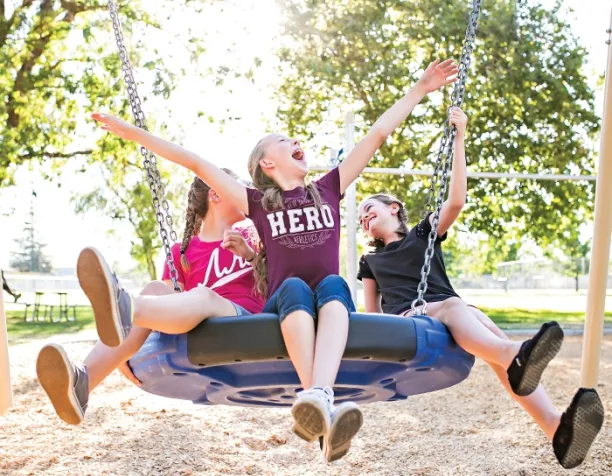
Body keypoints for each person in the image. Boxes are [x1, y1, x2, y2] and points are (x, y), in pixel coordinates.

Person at [90, 57, 459, 462]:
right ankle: (318, 396)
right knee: (296, 287)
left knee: (334, 284)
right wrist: (133, 134)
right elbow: (195, 162)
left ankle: (319, 396)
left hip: (331, 305)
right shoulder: (257, 204)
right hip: (285, 304)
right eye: (283, 140)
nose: (293, 140)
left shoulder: (329, 188)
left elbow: (377, 134)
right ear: (268, 163)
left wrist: (420, 89)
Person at [356, 107, 604, 470]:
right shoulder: (370, 261)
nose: (363, 216)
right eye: (360, 217)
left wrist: (460, 137)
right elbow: (371, 312)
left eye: (369, 208)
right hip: (410, 322)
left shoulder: (424, 234)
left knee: (492, 344)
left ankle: (557, 430)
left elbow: (455, 200)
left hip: (450, 312)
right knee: (459, 310)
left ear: (393, 207)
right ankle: (514, 354)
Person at [36, 171, 264, 425]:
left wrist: (252, 255)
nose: (249, 196)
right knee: (156, 289)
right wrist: (119, 352)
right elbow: (165, 302)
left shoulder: (255, 239)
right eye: (240, 189)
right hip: (196, 329)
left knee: (203, 296)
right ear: (216, 194)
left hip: (244, 322)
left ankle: (124, 307)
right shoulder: (183, 252)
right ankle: (83, 382)